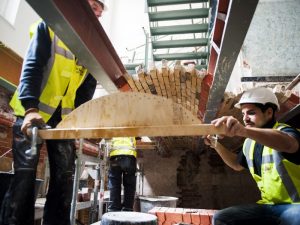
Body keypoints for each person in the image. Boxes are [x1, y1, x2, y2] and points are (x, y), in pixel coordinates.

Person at [0, 1, 107, 225]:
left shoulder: (89, 50)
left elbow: (86, 91)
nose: (97, 13)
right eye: (93, 6)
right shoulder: (49, 27)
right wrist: (30, 109)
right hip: (32, 113)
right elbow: (32, 66)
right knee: (24, 178)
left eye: (100, 11)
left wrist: (78, 119)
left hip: (63, 121)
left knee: (64, 179)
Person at [204, 87, 300, 225]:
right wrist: (215, 144)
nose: (245, 118)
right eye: (243, 114)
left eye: (251, 113)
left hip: (296, 206)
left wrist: (243, 131)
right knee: (222, 218)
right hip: (268, 206)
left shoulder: (287, 132)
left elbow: (289, 144)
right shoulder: (250, 142)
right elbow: (237, 164)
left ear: (269, 112)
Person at [108, 137, 138, 212]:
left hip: (115, 156)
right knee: (129, 185)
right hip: (129, 156)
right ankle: (127, 208)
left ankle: (114, 208)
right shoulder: (133, 125)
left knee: (114, 183)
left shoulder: (112, 125)